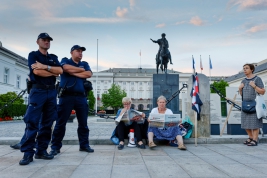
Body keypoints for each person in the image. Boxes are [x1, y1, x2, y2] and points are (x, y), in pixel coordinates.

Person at [19, 33, 63, 165]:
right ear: (37, 41)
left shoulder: (53, 57)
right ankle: (28, 153)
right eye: (44, 40)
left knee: (47, 123)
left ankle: (41, 151)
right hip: (38, 90)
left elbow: (60, 71)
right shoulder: (33, 55)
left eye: (48, 40)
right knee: (32, 122)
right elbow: (37, 72)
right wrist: (51, 71)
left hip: (51, 91)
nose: (47, 42)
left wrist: (45, 67)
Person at [49, 45, 94, 156]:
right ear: (71, 52)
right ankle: (55, 147)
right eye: (78, 51)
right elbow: (65, 68)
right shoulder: (65, 60)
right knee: (60, 123)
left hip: (81, 97)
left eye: (81, 51)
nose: (80, 53)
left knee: (83, 124)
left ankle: (84, 145)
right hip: (66, 96)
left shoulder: (85, 64)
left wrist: (73, 72)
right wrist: (80, 71)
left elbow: (89, 74)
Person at [239, 63, 265, 146]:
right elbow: (242, 94)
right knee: (245, 122)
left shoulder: (257, 79)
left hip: (255, 103)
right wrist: (240, 88)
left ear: (252, 69)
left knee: (255, 122)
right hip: (245, 103)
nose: (245, 70)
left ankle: (255, 139)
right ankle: (250, 137)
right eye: (244, 68)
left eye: (246, 68)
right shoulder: (243, 80)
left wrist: (254, 86)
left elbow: (263, 92)